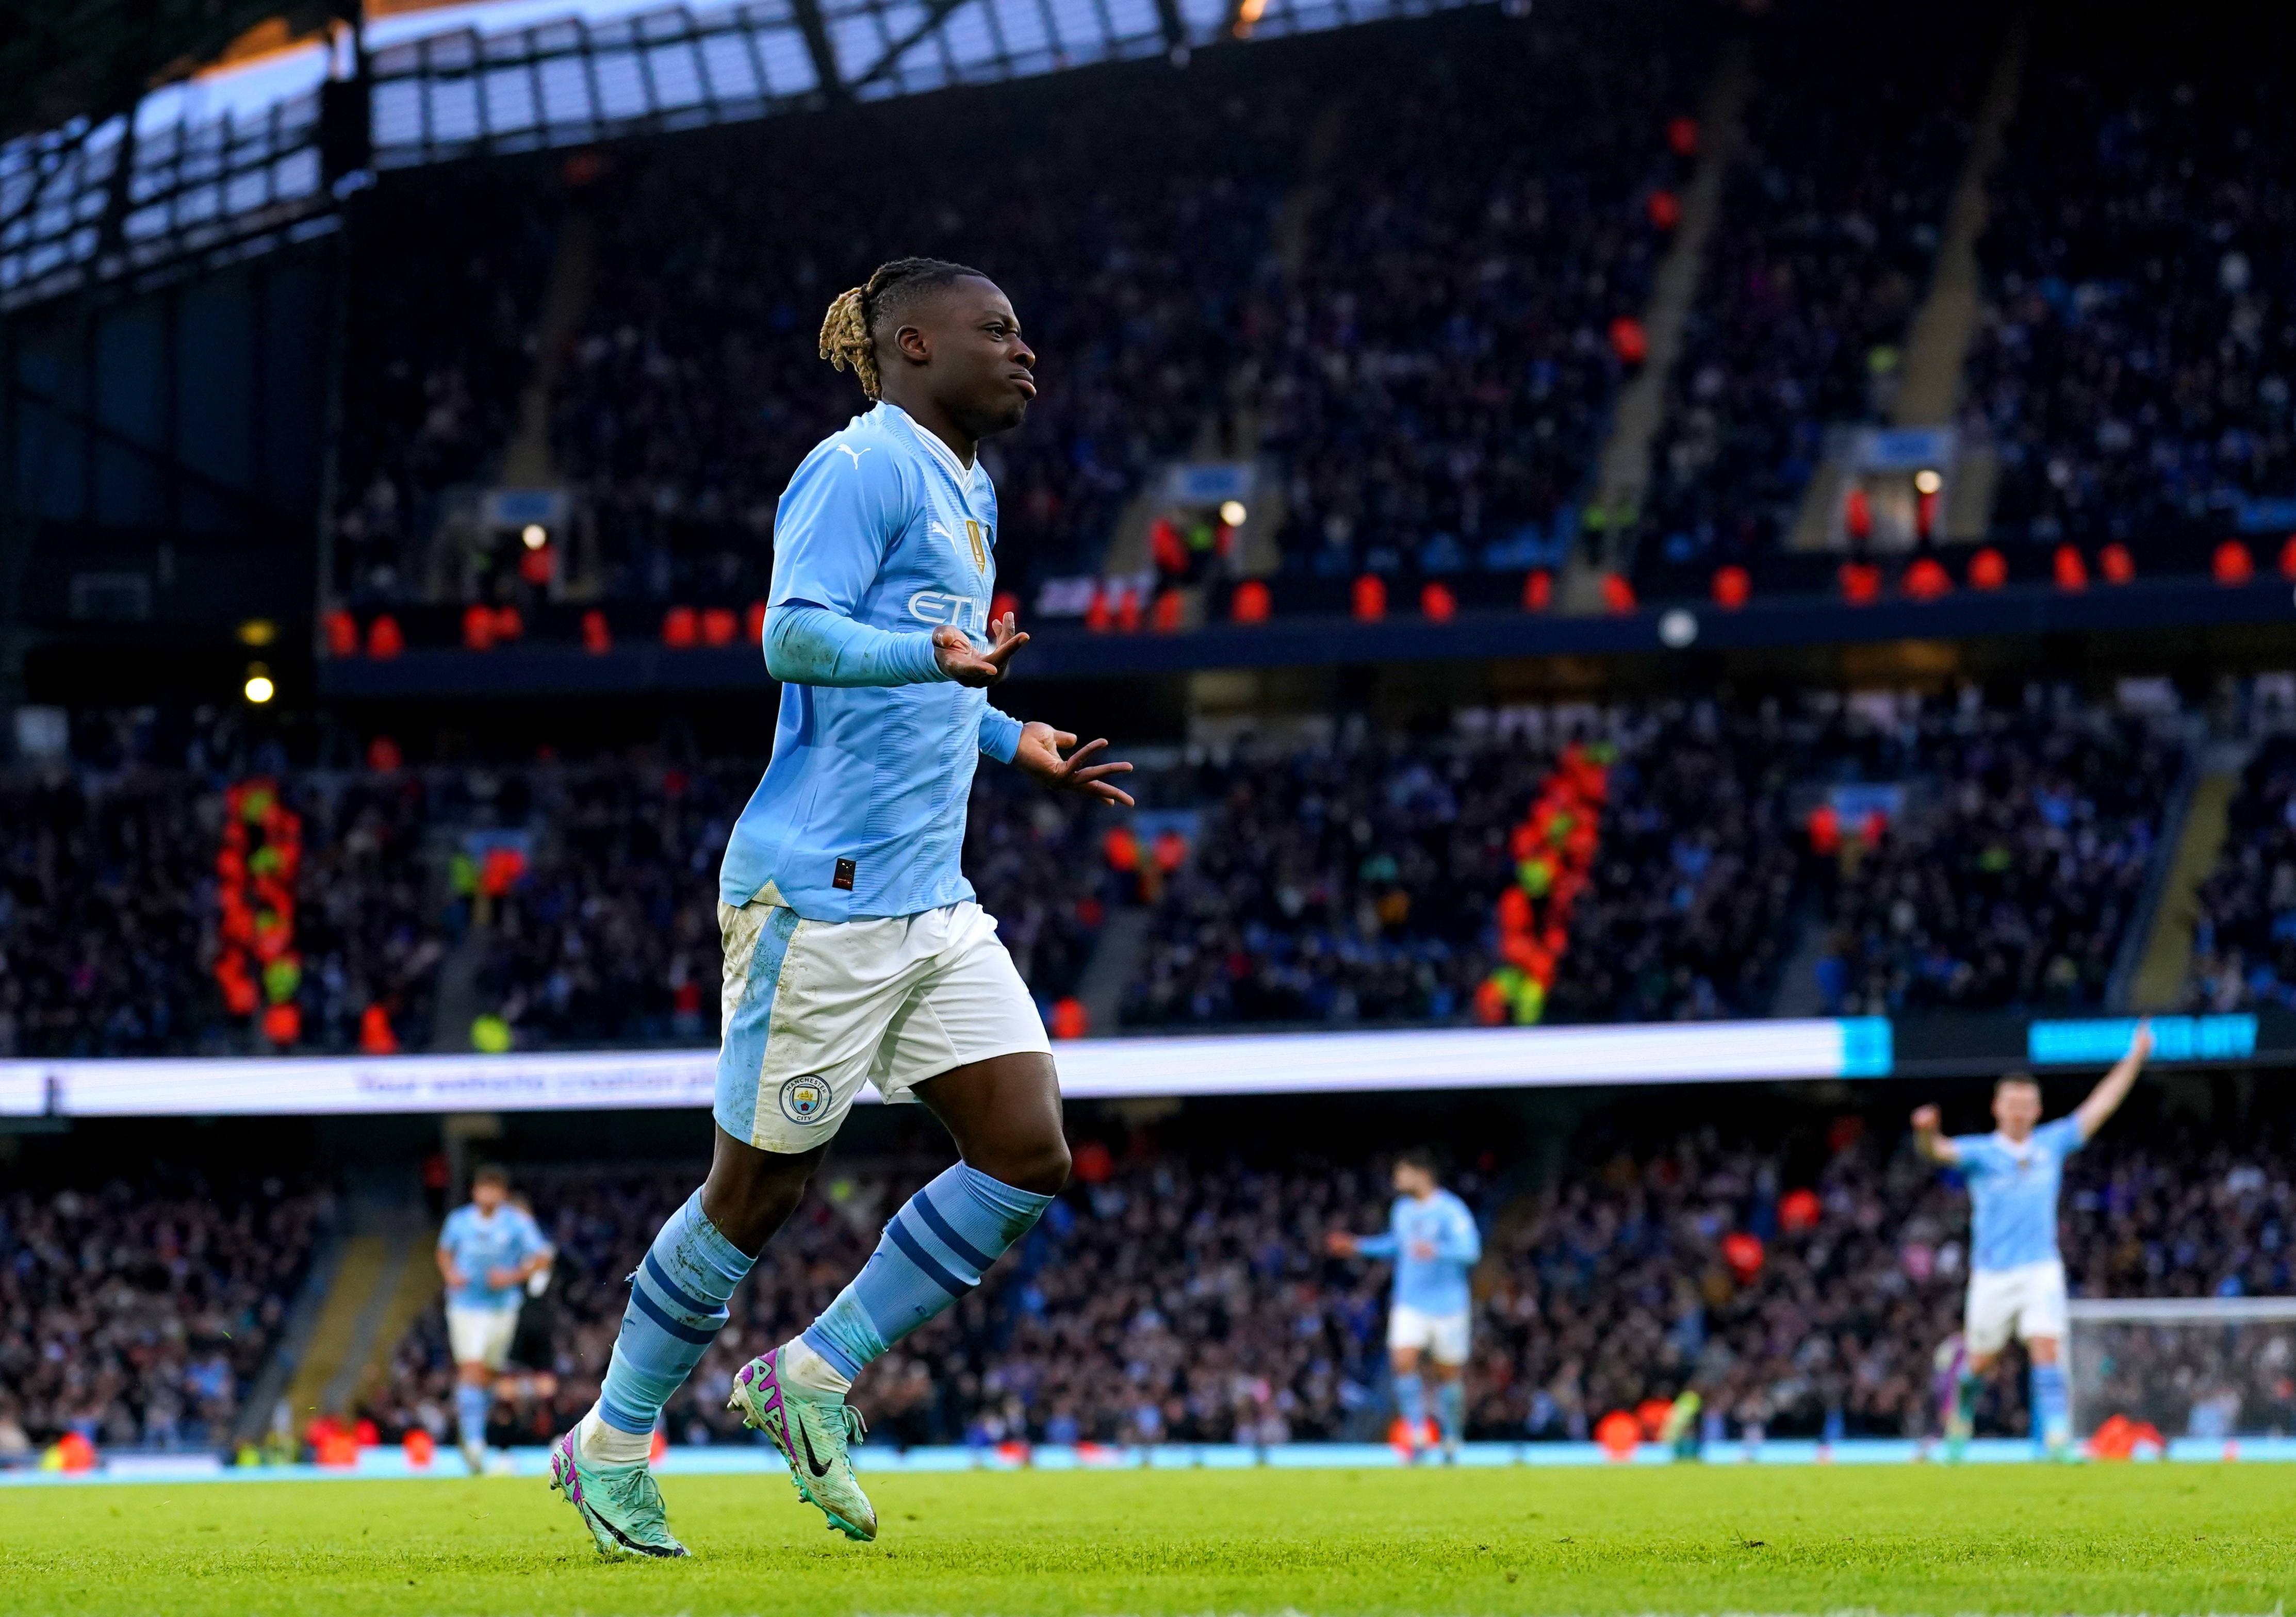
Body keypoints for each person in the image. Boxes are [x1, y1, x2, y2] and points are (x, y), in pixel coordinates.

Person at [548, 256, 1134, 1560]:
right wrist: (931, 654)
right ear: (914, 346)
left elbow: (933, 670)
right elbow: (793, 636)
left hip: (932, 899)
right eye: (999, 330)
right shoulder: (859, 465)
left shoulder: (970, 483)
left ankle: (809, 1374)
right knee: (755, 1197)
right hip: (822, 897)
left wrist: (1002, 733)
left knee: (1027, 1153)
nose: (1024, 351)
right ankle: (611, 1442)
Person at [1912, 1019, 2153, 1460]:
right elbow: (1936, 1151)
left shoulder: (2052, 1144)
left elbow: (2100, 1106)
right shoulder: (1982, 1153)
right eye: (2013, 1103)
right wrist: (1925, 1132)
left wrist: (2135, 1057)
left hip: (2040, 1266)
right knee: (1981, 1362)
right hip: (1992, 1274)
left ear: (2038, 1111)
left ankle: (2059, 1438)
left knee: (2047, 1345)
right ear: (1997, 1108)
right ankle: (1961, 1411)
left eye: (2028, 1104)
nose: (2020, 1111)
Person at [1325, 1148, 1482, 1461]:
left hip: (1448, 1305)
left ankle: (1452, 1436)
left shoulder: (1451, 1210)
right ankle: (1418, 1434)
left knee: (1448, 1375)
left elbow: (1471, 1251)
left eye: (1402, 1173)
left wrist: (1437, 1250)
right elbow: (1396, 1245)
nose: (1397, 1179)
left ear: (1421, 1174)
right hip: (1410, 1301)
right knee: (1403, 1361)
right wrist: (1358, 1246)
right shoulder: (1403, 1210)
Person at [435, 1165, 551, 1473]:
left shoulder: (515, 1223)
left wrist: (513, 1276)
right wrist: (450, 1274)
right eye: (484, 1188)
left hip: (502, 1308)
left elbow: (543, 1256)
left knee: (488, 1374)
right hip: (465, 1306)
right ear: (476, 1192)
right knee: (471, 1367)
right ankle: (474, 1442)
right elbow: (444, 1252)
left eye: (494, 1189)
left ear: (502, 1193)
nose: (488, 1194)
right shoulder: (459, 1221)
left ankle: (473, 1436)